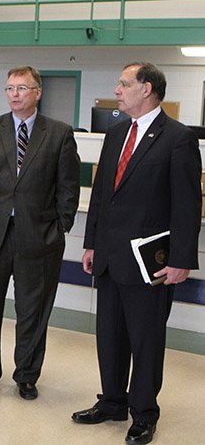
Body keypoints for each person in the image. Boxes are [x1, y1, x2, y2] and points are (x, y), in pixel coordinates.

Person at [71, 62, 202, 444]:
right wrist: (91, 242)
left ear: (147, 89)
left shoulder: (177, 138)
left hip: (151, 263)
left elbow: (187, 204)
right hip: (109, 258)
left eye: (124, 83)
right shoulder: (114, 135)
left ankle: (143, 412)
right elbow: (101, 196)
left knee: (145, 339)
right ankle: (112, 401)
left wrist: (181, 259)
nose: (117, 89)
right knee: (108, 335)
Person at [0, 66, 80, 400]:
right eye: (9, 88)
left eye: (22, 88)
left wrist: (60, 226)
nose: (15, 94)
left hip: (39, 237)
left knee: (33, 310)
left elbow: (68, 186)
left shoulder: (59, 133)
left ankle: (26, 375)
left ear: (38, 92)